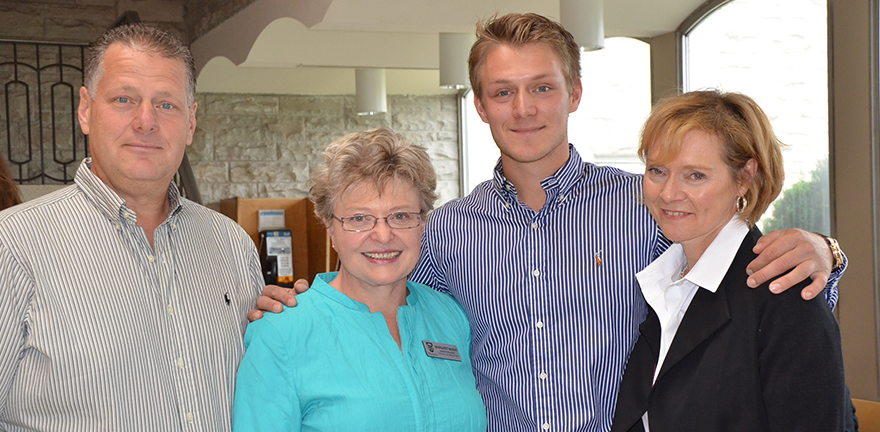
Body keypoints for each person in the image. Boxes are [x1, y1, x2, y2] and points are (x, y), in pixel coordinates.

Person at [252, 13, 846, 431]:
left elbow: (740, 284)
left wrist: (825, 253)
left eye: (542, 87)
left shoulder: (647, 209)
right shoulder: (445, 231)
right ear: (479, 105)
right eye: (502, 92)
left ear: (575, 93)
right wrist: (298, 301)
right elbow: (374, 281)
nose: (524, 108)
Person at [0, 24, 264, 430]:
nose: (146, 121)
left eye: (166, 105)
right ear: (85, 110)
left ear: (191, 122)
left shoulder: (230, 244)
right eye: (124, 99)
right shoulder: (12, 245)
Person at [610, 90, 847, 431]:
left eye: (695, 176)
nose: (668, 193)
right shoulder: (666, 282)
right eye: (657, 170)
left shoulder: (783, 293)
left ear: (744, 178)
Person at [232, 127, 487, 431]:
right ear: (330, 228)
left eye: (401, 216)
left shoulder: (449, 316)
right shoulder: (282, 332)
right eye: (359, 219)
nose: (382, 235)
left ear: (423, 223)